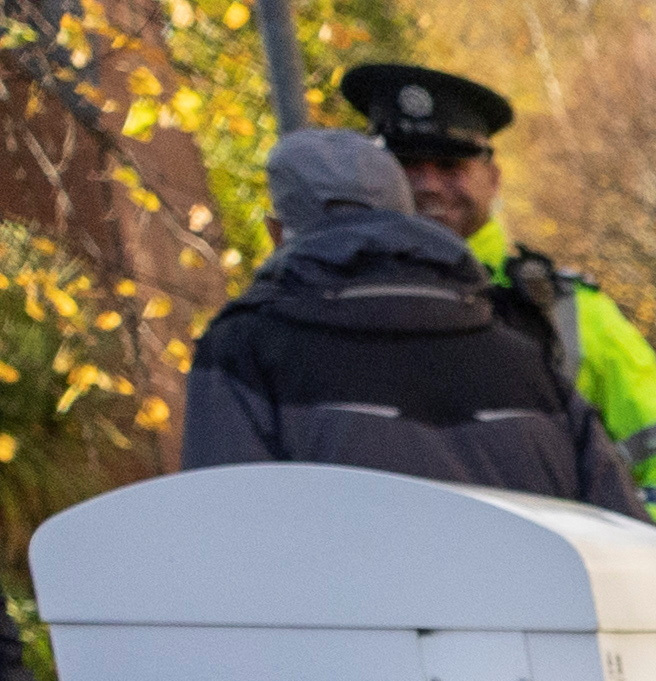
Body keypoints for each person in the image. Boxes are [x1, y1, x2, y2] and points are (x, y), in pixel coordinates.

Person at [340, 60, 656, 539]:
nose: (428, 184)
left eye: (451, 165)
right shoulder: (323, 304)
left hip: (541, 604)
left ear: (493, 178)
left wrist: (617, 558)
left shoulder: (570, 311)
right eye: (406, 164)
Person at [180, 126, 625, 503]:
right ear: (405, 216)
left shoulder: (241, 351)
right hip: (532, 607)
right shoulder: (522, 348)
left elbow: (228, 533)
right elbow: (619, 534)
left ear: (276, 232)